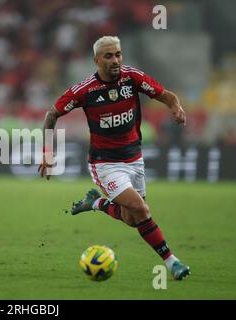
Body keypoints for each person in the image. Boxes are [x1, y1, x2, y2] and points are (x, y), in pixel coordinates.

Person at [38, 36, 190, 280]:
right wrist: (47, 150)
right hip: (105, 164)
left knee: (132, 219)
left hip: (135, 159)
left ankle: (95, 203)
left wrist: (175, 107)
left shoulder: (132, 78)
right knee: (141, 209)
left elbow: (167, 96)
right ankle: (172, 262)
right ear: (97, 60)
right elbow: (51, 115)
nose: (115, 60)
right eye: (109, 56)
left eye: (118, 54)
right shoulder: (85, 90)